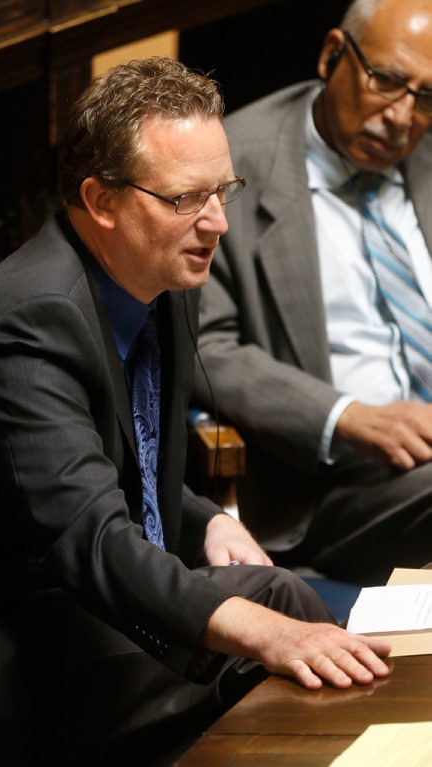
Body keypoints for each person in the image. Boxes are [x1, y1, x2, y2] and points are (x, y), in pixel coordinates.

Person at [0, 57, 389, 767]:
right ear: (102, 200)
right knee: (268, 640)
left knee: (276, 596)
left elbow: (117, 458)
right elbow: (91, 538)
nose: (217, 224)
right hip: (1, 638)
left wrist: (203, 520)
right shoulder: (26, 325)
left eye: (222, 191)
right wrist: (267, 635)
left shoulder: (161, 279)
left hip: (82, 590)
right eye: (185, 199)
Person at [194, 0, 432, 587]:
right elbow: (205, 348)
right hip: (331, 487)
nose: (402, 117)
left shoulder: (426, 154)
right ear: (332, 55)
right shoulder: (230, 165)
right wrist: (344, 417)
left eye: (427, 98)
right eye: (387, 81)